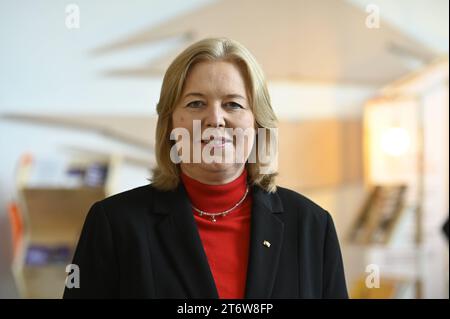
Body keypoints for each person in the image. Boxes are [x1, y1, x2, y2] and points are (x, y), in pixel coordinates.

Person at [63, 37, 348, 299]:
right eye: (196, 103)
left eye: (233, 104)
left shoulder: (312, 226)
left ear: (258, 122)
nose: (215, 119)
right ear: (171, 124)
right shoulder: (114, 224)